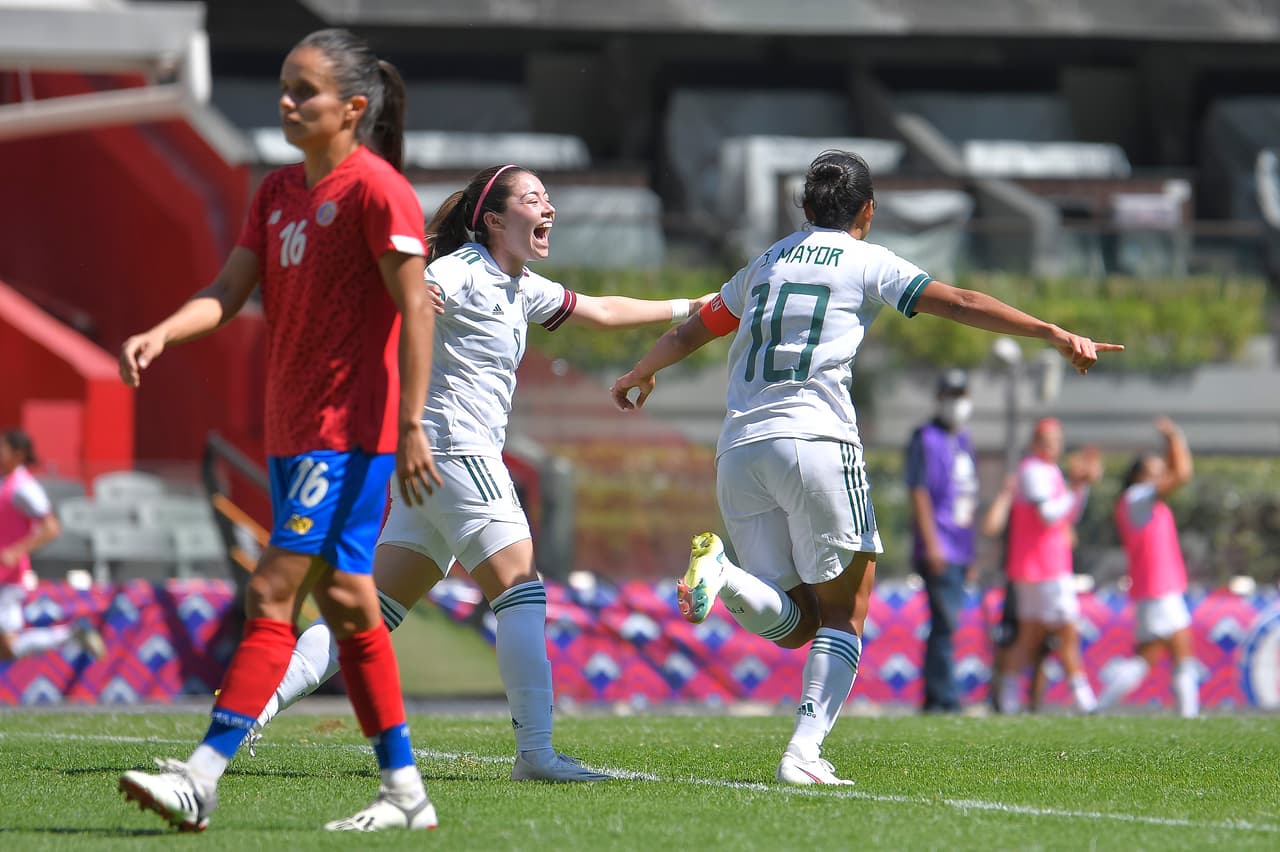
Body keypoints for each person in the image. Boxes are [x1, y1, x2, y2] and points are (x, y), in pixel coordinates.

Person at [609, 149, 1121, 784]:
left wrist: (640, 371)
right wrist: (1050, 331)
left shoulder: (763, 263)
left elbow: (695, 328)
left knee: (796, 624)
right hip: (818, 442)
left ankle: (723, 575)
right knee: (847, 613)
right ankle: (802, 752)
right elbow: (958, 301)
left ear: (804, 209)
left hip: (739, 448)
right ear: (869, 211)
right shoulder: (866, 259)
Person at [250, 162, 713, 781]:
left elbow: (600, 310)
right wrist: (412, 294)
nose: (547, 208)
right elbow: (409, 290)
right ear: (494, 220)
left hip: (433, 469)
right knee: (522, 596)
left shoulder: (519, 283)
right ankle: (537, 756)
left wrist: (693, 305)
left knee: (368, 616)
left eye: (548, 198)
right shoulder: (463, 270)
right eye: (532, 199)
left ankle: (248, 708)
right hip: (458, 453)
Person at [115, 29, 441, 832]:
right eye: (285, 87)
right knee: (348, 604)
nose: (288, 102)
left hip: (349, 436)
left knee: (270, 590)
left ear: (353, 109)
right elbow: (229, 291)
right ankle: (405, 793)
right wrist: (163, 330)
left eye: (306, 91)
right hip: (293, 433)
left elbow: (417, 307)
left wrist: (410, 424)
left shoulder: (378, 191)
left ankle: (201, 777)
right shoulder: (276, 192)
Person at [996, 419, 1103, 714]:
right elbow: (1049, 514)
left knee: (1030, 636)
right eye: (1046, 439)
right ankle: (1082, 697)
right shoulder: (1032, 470)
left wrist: (1080, 486)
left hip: (1043, 565)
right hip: (1043, 567)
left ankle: (1007, 696)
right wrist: (1075, 485)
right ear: (1035, 442)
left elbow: (1069, 514)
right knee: (1067, 629)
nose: (1052, 444)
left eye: (1056, 438)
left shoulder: (1049, 471)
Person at [1097, 417, 1198, 717]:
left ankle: (1100, 706)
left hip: (1156, 588)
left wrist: (1171, 444)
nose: (1160, 477)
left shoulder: (1138, 501)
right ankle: (1099, 707)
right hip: (1158, 589)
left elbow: (1175, 472)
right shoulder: (1138, 497)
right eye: (1153, 472)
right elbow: (1182, 474)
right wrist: (1175, 437)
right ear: (1139, 476)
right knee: (1165, 654)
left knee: (1162, 655)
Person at [905, 368, 978, 713]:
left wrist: (972, 551)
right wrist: (931, 542)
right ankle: (942, 697)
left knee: (949, 624)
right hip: (939, 545)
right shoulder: (924, 437)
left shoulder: (964, 440)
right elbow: (918, 491)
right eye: (950, 396)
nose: (956, 404)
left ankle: (940, 695)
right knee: (945, 622)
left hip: (960, 546)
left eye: (961, 396)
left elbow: (967, 496)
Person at [0, 430, 104, 663]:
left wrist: (17, 550)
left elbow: (51, 527)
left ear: (18, 454)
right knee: (7, 649)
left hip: (8, 577)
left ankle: (70, 634)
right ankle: (71, 634)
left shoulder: (24, 487)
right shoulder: (5, 481)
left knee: (8, 646)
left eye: (2, 448)